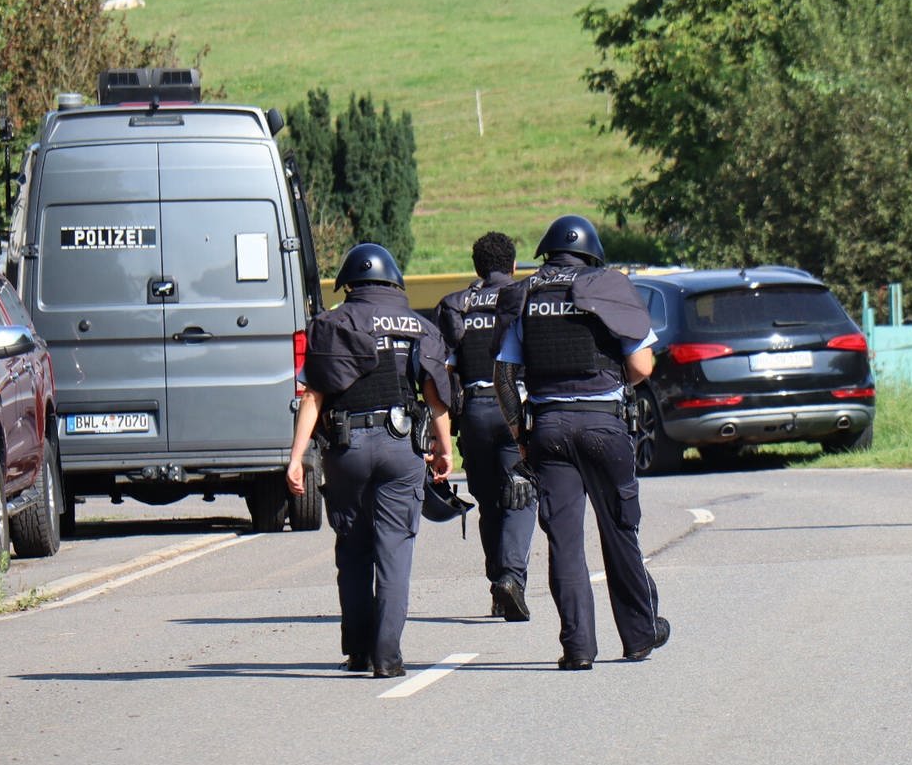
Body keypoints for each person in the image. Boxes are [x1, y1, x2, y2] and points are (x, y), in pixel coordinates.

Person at [490, 214, 669, 671]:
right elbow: (644, 366)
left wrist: (522, 440)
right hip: (603, 425)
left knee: (565, 543)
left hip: (548, 428)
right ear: (592, 253)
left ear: (548, 253)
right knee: (619, 532)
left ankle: (577, 649)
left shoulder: (527, 294)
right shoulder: (610, 286)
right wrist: (615, 379)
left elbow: (504, 377)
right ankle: (639, 636)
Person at [287, 243, 454, 679]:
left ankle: (358, 651)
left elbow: (313, 397)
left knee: (354, 550)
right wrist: (444, 449)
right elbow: (436, 399)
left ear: (349, 284)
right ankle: (386, 656)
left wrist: (297, 457)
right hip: (402, 449)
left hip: (348, 450)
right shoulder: (419, 326)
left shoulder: (330, 324)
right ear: (393, 281)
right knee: (394, 552)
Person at [434, 232, 538, 621]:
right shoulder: (524, 295)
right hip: (516, 407)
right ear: (513, 265)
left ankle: (498, 585)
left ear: (477, 267)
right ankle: (511, 578)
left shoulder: (454, 305)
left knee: (491, 503)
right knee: (522, 494)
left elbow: (443, 373)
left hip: (474, 413)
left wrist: (441, 432)